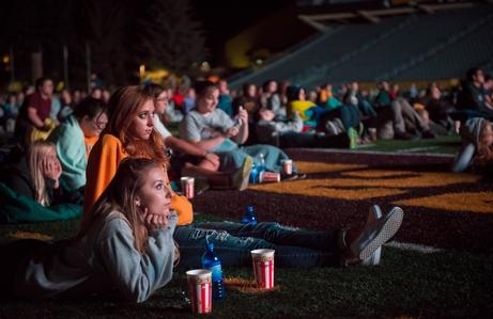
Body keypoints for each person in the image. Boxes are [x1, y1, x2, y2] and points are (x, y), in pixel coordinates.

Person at [83, 85, 404, 271]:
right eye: (144, 115)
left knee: (265, 228)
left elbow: (164, 193)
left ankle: (351, 238)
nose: (153, 122)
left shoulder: (148, 145)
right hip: (157, 239)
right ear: (124, 116)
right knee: (254, 245)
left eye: (154, 114)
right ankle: (346, 255)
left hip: (179, 224)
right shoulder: (110, 144)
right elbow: (102, 208)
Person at [0, 158, 177, 302]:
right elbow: (139, 290)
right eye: (159, 186)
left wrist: (162, 232)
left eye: (166, 185)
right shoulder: (114, 225)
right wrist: (162, 233)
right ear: (136, 197)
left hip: (38, 254)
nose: (170, 194)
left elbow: (167, 262)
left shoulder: (136, 215)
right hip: (22, 272)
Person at [179, 80, 304, 179]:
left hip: (236, 149)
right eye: (210, 98)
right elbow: (194, 148)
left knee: (270, 150)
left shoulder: (219, 113)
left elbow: (240, 140)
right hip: (215, 155)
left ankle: (288, 171)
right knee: (236, 157)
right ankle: (269, 174)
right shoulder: (191, 118)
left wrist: (244, 124)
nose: (215, 102)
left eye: (217, 98)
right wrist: (222, 137)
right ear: (198, 97)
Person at [143, 83, 251, 191]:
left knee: (202, 163)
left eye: (167, 98)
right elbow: (173, 142)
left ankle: (202, 181)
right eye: (163, 99)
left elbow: (239, 140)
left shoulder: (154, 117)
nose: (167, 103)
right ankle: (229, 180)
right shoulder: (152, 118)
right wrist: (206, 153)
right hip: (164, 161)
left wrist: (244, 123)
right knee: (188, 167)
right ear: (151, 100)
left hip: (170, 158)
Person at [0, 140, 82, 223]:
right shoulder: (18, 181)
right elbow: (31, 211)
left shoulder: (47, 178)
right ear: (37, 161)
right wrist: (50, 182)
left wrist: (56, 185)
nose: (56, 161)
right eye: (51, 157)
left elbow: (59, 202)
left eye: (56, 157)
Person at [47, 97, 108, 194]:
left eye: (105, 125)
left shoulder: (85, 131)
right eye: (100, 124)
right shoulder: (70, 133)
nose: (101, 129)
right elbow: (74, 172)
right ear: (86, 119)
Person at [14, 77, 56, 146]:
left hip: (37, 127)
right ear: (40, 87)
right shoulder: (34, 97)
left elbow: (45, 116)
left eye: (52, 85)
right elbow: (31, 114)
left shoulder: (48, 100)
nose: (51, 87)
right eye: (48, 85)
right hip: (27, 127)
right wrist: (42, 126)